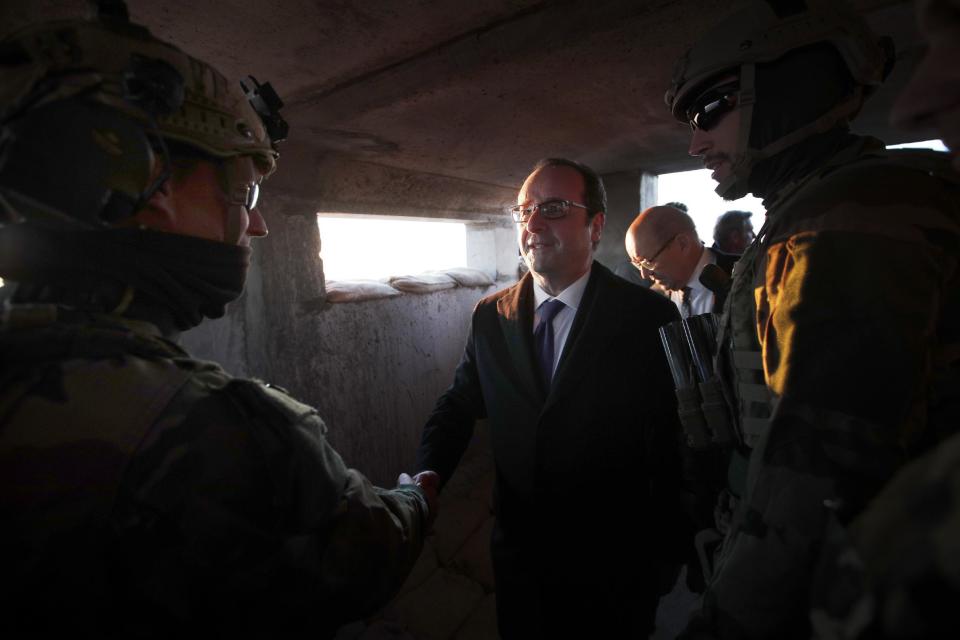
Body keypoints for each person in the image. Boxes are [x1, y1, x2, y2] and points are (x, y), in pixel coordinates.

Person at [0, 5, 436, 638]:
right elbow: (367, 558)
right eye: (242, 189)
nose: (255, 223)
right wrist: (417, 498)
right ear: (143, 177)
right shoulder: (222, 430)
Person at [663, 0, 960, 637]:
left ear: (788, 89)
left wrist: (728, 621)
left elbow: (816, 481)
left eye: (711, 108)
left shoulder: (846, 221)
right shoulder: (811, 212)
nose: (695, 142)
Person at [414, 158, 686, 638]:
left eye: (554, 208)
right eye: (524, 212)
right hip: (522, 561)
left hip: (615, 567)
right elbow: (459, 403)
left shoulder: (648, 316)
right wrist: (429, 472)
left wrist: (666, 554)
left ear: (596, 224)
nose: (533, 224)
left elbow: (674, 443)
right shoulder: (489, 317)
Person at [626, 204, 737, 317]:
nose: (644, 275)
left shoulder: (747, 273)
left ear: (682, 244)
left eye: (648, 262)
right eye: (638, 264)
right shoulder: (653, 301)